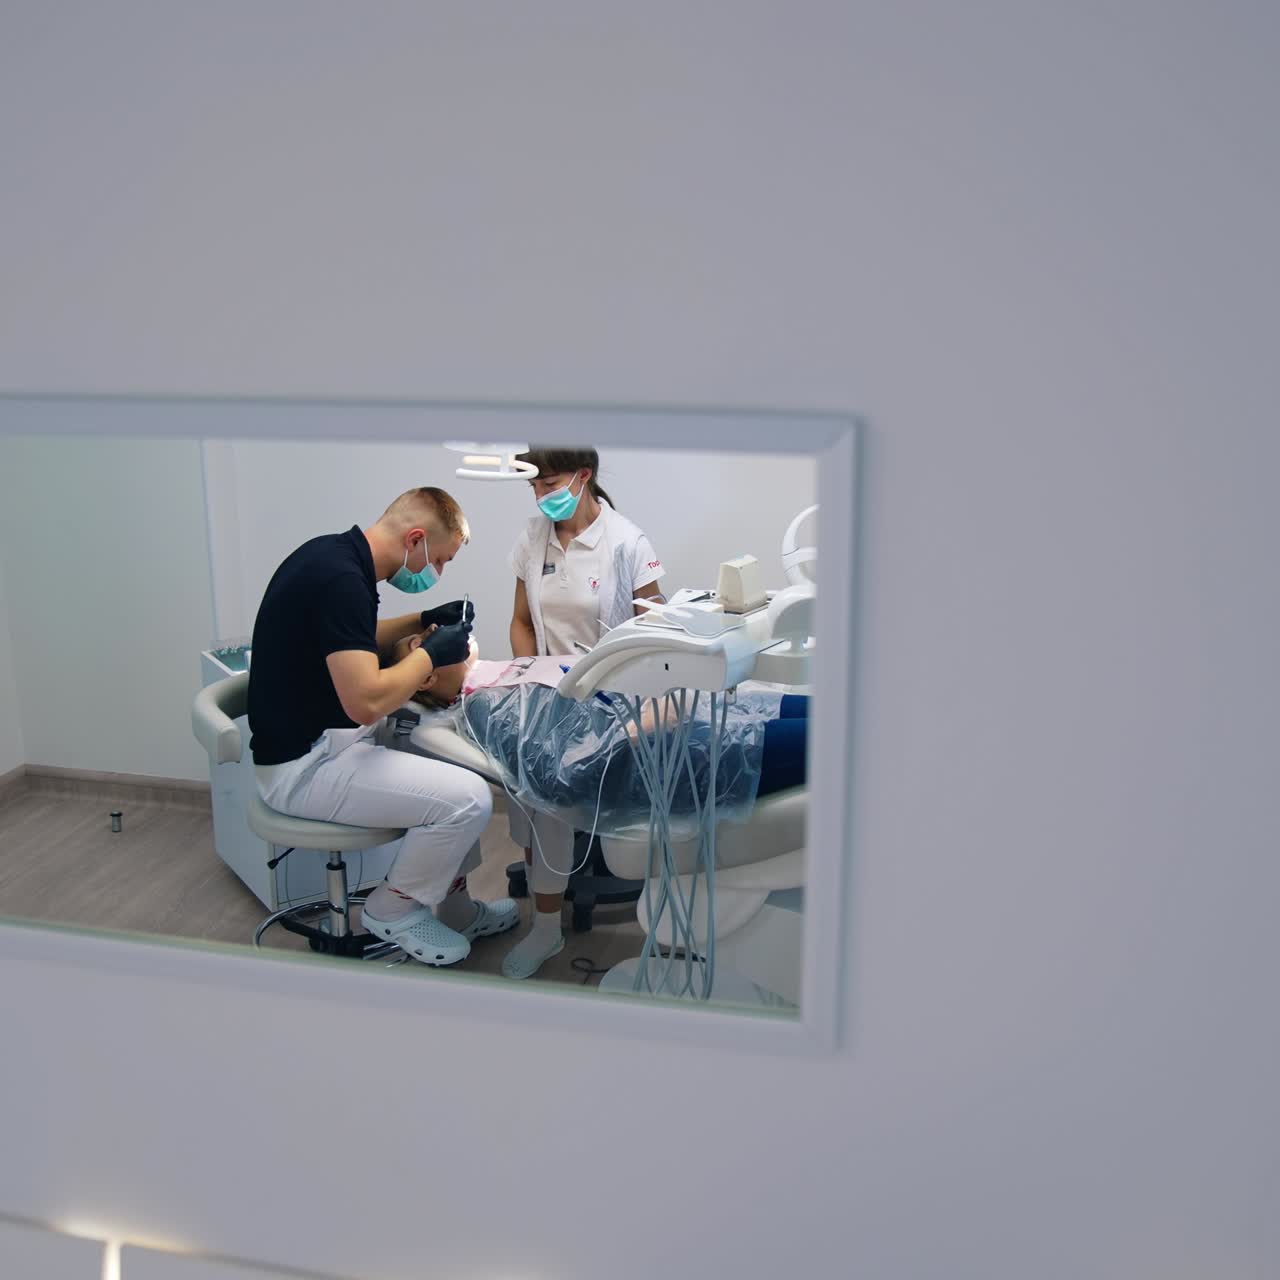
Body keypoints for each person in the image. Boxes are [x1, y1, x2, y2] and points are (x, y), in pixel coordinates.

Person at [247, 486, 517, 967]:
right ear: (415, 539)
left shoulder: (334, 557)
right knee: (468, 800)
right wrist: (433, 655)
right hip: (305, 767)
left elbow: (352, 636)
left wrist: (424, 618)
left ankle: (457, 909)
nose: (439, 571)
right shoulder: (342, 580)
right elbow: (365, 701)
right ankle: (392, 908)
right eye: (441, 559)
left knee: (444, 759)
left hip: (325, 741)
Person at [505, 447, 666, 977]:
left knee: (546, 780)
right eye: (532, 486)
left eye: (548, 483)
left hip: (613, 699)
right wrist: (530, 672)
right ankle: (542, 916)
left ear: (583, 476)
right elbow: (522, 621)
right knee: (516, 766)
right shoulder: (533, 538)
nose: (539, 495)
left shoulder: (626, 543)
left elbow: (656, 633)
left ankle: (548, 928)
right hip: (550, 690)